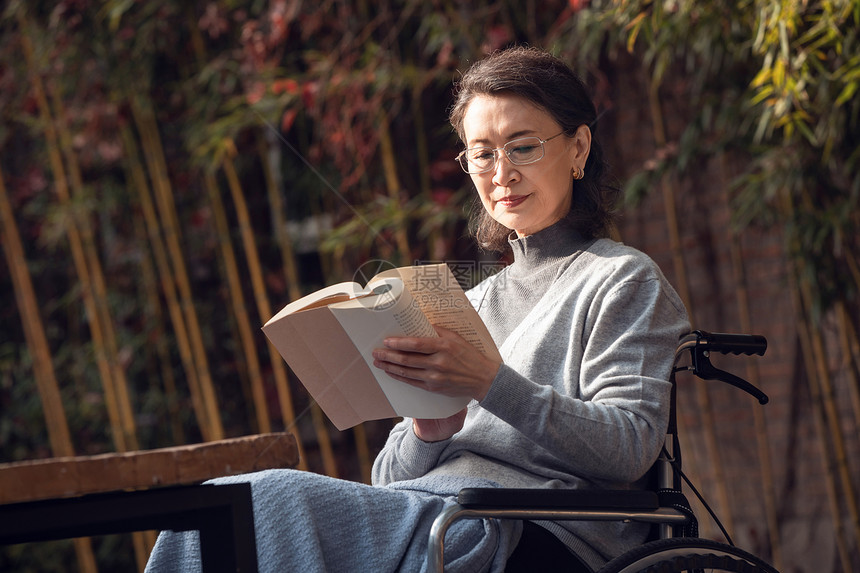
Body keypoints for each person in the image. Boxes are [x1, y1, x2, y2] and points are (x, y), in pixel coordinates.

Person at [145, 46, 689, 573]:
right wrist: (430, 428)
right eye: (482, 152)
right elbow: (386, 480)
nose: (501, 173)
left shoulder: (622, 279)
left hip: (533, 530)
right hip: (437, 512)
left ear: (578, 148)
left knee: (268, 498)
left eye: (523, 147)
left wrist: (489, 381)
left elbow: (629, 447)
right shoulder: (470, 303)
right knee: (217, 508)